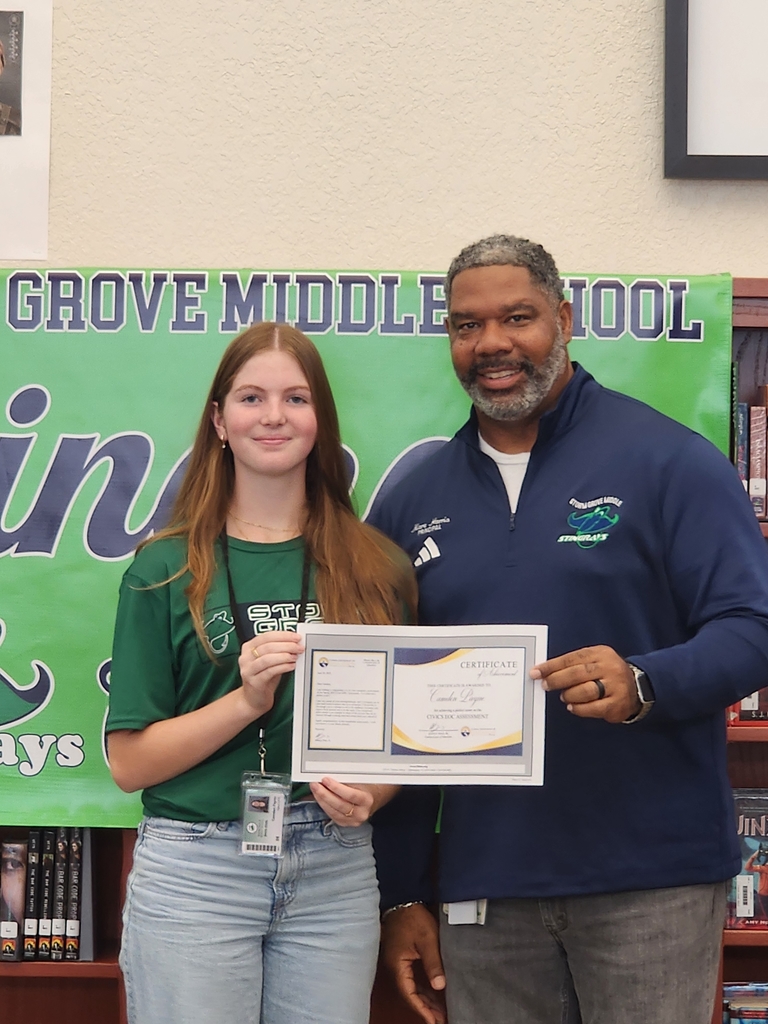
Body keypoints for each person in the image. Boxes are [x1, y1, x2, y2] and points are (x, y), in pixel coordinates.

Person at [369, 234, 768, 1024]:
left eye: (517, 318)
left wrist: (645, 681)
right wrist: (404, 890)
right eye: (465, 326)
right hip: (485, 886)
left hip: (650, 880)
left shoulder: (668, 461)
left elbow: (751, 626)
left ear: (565, 319)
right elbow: (395, 716)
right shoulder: (413, 497)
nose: (492, 344)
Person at [106, 321, 416, 1024]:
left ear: (320, 420)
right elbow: (130, 762)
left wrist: (371, 793)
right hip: (197, 867)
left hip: (334, 867)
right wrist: (246, 700)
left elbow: (398, 739)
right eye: (251, 397)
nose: (273, 416)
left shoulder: (379, 566)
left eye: (295, 398)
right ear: (219, 420)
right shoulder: (164, 568)